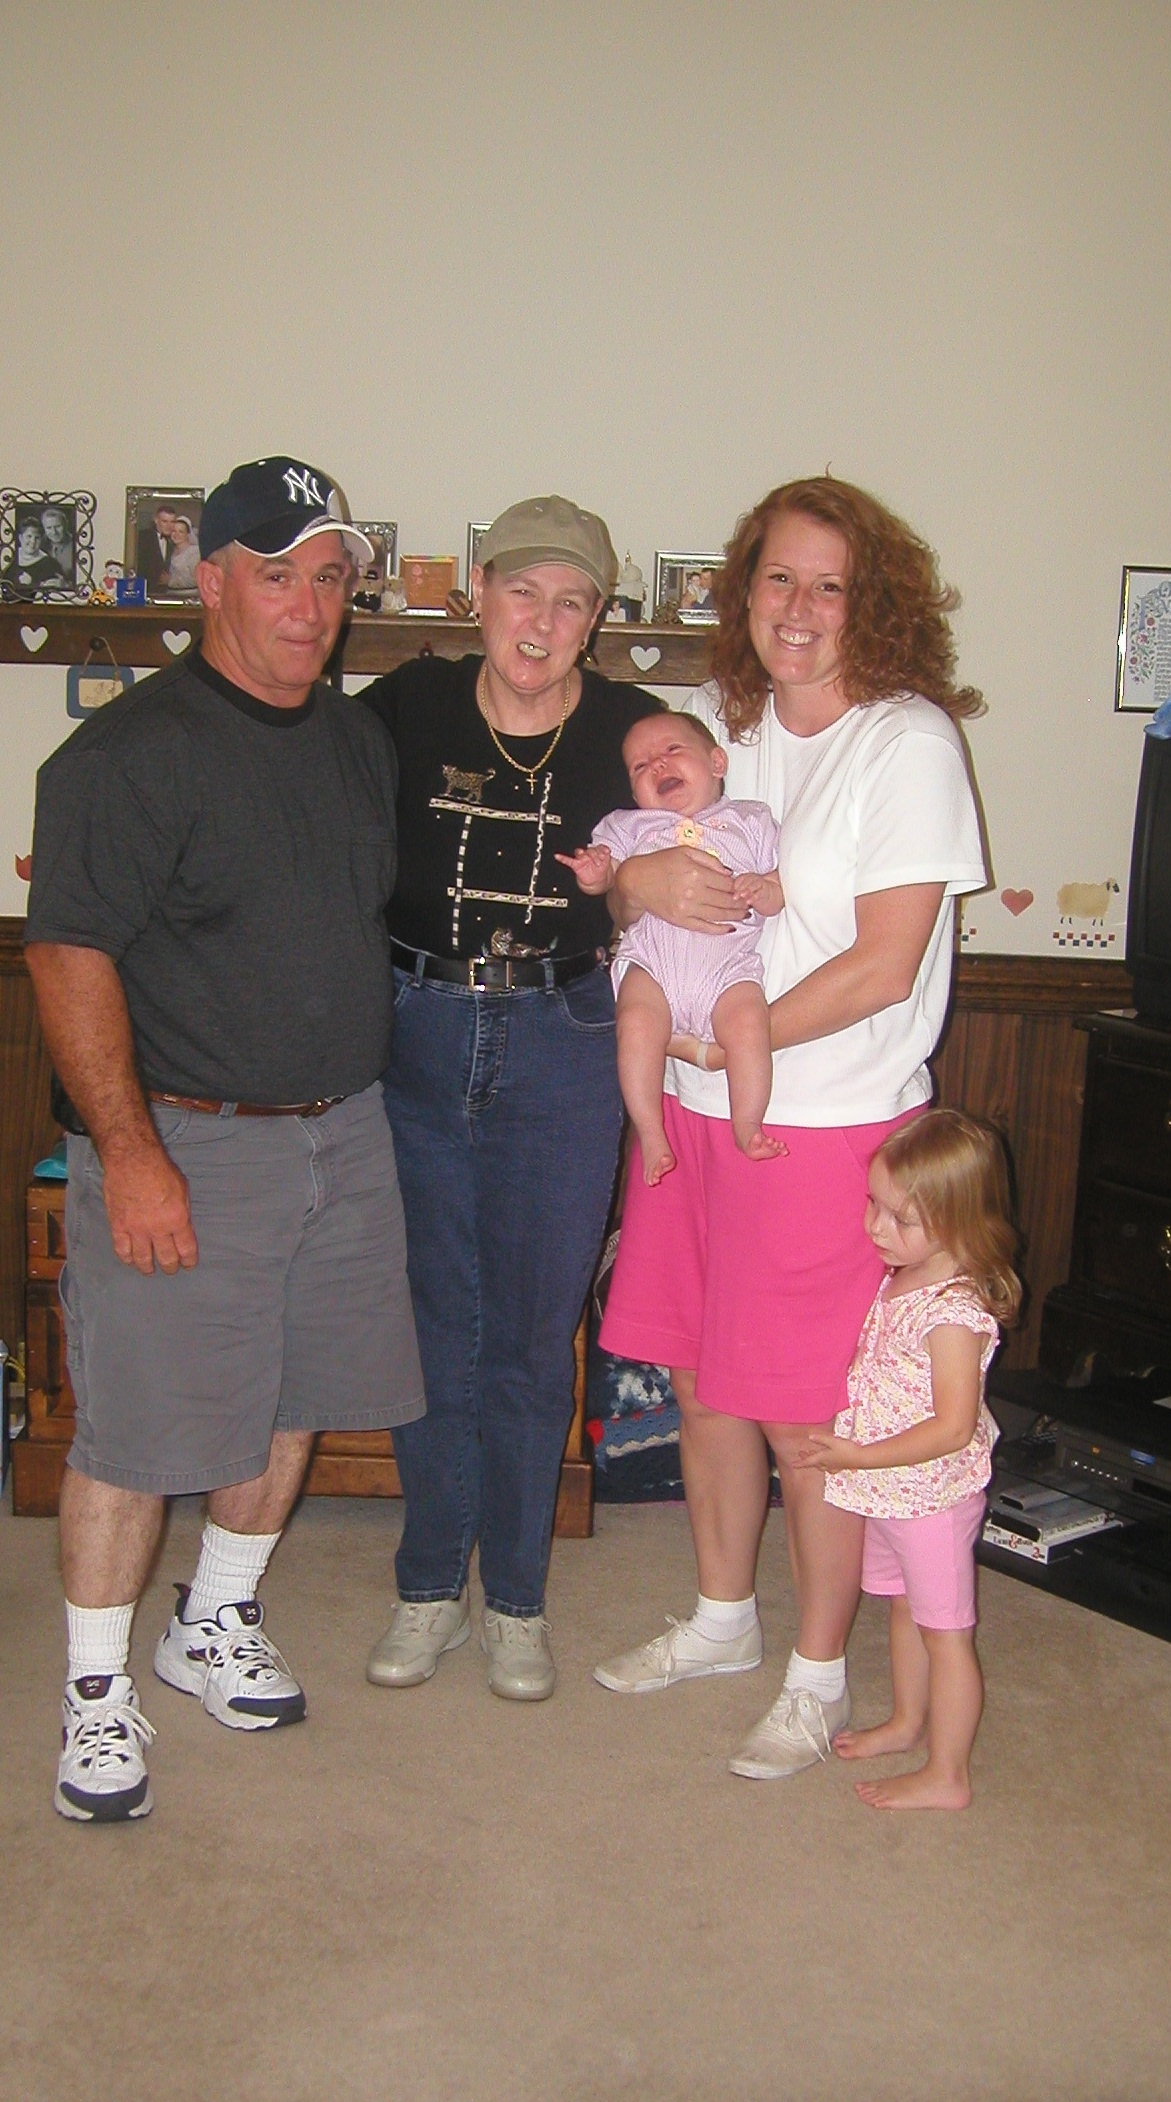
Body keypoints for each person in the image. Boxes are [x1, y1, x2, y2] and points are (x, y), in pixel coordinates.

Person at [24, 454, 425, 1823]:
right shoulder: (126, 757)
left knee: (295, 1398)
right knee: (137, 1434)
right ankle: (94, 1692)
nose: (310, 605)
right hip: (188, 1144)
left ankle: (216, 1621)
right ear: (212, 583)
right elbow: (68, 956)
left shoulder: (356, 743)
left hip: (344, 1132)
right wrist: (131, 1152)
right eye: (278, 574)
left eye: (331, 577)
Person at [592, 474, 988, 1783]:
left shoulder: (907, 742)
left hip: (823, 1130)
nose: (801, 608)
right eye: (779, 578)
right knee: (701, 1380)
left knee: (810, 1414)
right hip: (692, 1115)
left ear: (875, 603)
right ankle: (722, 1618)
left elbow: (882, 966)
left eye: (831, 584)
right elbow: (639, 891)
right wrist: (635, 884)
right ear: (743, 593)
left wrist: (723, 1045)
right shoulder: (720, 729)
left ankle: (817, 1675)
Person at [358, 496, 662, 1702]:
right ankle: (430, 1585)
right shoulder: (403, 707)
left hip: (567, 1033)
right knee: (431, 1323)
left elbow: (710, 856)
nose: (542, 621)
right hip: (417, 1027)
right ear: (478, 592)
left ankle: (518, 1600)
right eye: (523, 591)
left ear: (597, 618)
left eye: (571, 601)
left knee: (537, 1332)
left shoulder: (636, 731)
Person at [792, 1110, 1018, 1810]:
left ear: (960, 1223)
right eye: (875, 1204)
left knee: (946, 1635)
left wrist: (860, 1455)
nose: (876, 1227)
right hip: (889, 1494)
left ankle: (948, 1774)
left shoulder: (954, 1314)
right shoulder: (904, 1275)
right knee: (903, 1610)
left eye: (901, 1219)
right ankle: (908, 1721)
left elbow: (952, 1427)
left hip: (930, 1500)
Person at [557, 708, 784, 1183]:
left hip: (727, 968)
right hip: (654, 966)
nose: (657, 765)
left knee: (749, 1025)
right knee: (635, 1026)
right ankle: (650, 1131)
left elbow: (781, 887)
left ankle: (747, 1125)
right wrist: (594, 874)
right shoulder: (629, 826)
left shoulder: (751, 819)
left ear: (717, 763)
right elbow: (608, 879)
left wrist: (764, 889)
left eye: (672, 750)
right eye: (640, 766)